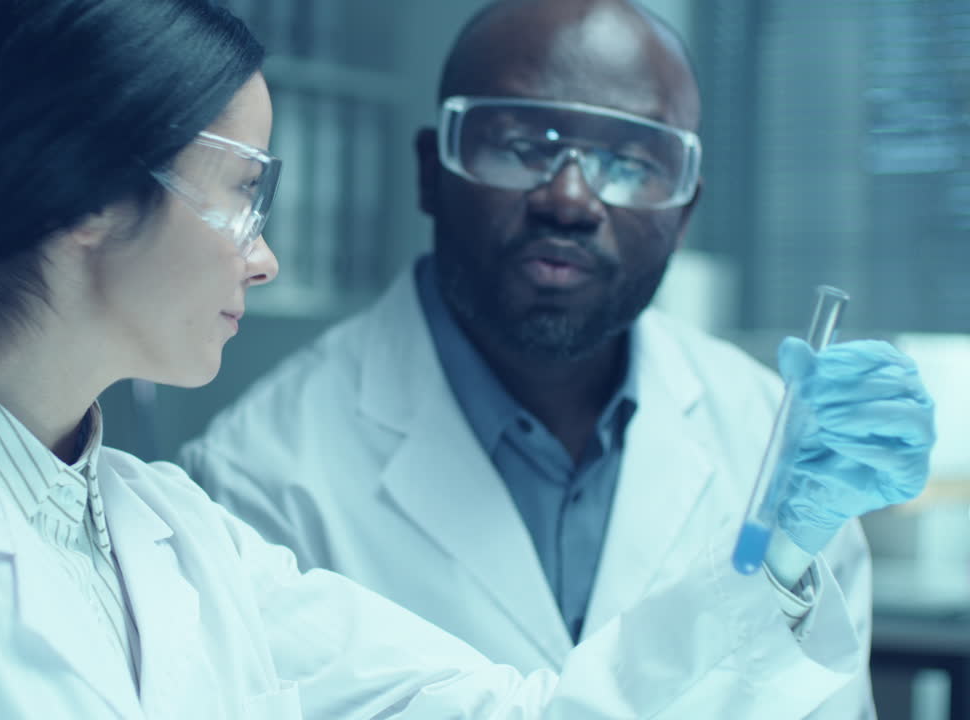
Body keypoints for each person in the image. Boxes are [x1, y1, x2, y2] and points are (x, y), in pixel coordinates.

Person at [0, 0, 922, 718]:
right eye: (243, 196)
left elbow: (522, 714)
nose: (265, 260)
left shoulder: (171, 534)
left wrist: (779, 553)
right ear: (87, 196)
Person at [180, 0, 936, 716]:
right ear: (430, 172)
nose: (570, 198)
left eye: (629, 162)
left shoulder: (778, 450)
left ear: (684, 214)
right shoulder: (261, 474)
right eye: (521, 147)